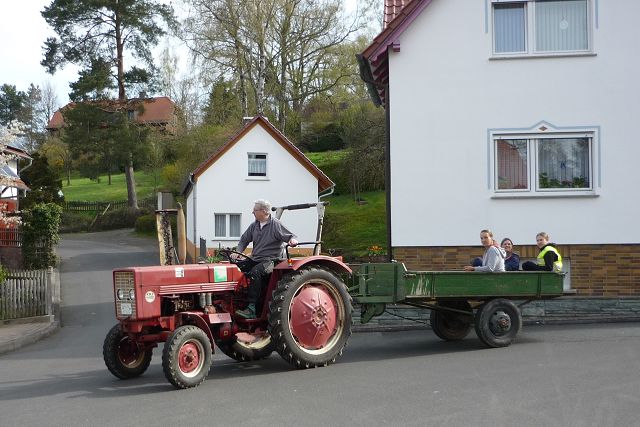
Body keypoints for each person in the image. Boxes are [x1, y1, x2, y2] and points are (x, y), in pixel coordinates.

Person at [233, 199, 298, 319]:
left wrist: (292, 240)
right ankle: (235, 300)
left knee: (255, 273)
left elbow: (290, 236)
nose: (252, 212)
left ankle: (251, 308)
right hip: (256, 258)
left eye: (255, 210)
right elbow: (244, 240)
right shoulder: (254, 225)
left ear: (264, 211)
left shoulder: (275, 225)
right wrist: (238, 252)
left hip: (271, 260)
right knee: (236, 268)